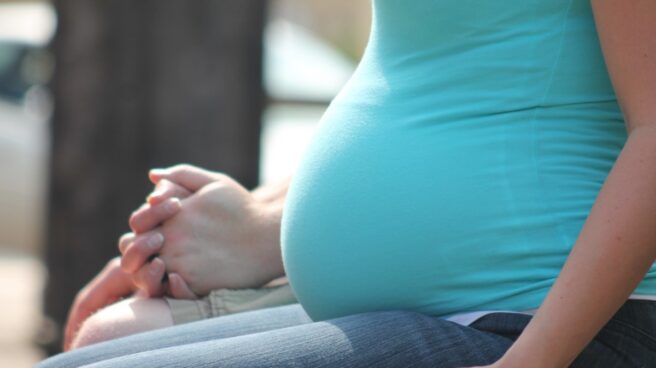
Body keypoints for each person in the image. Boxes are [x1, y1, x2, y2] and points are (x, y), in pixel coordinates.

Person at [39, 0, 656, 367]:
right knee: (99, 343)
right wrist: (259, 221)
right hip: (438, 304)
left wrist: (533, 361)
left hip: (533, 319)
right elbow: (439, 85)